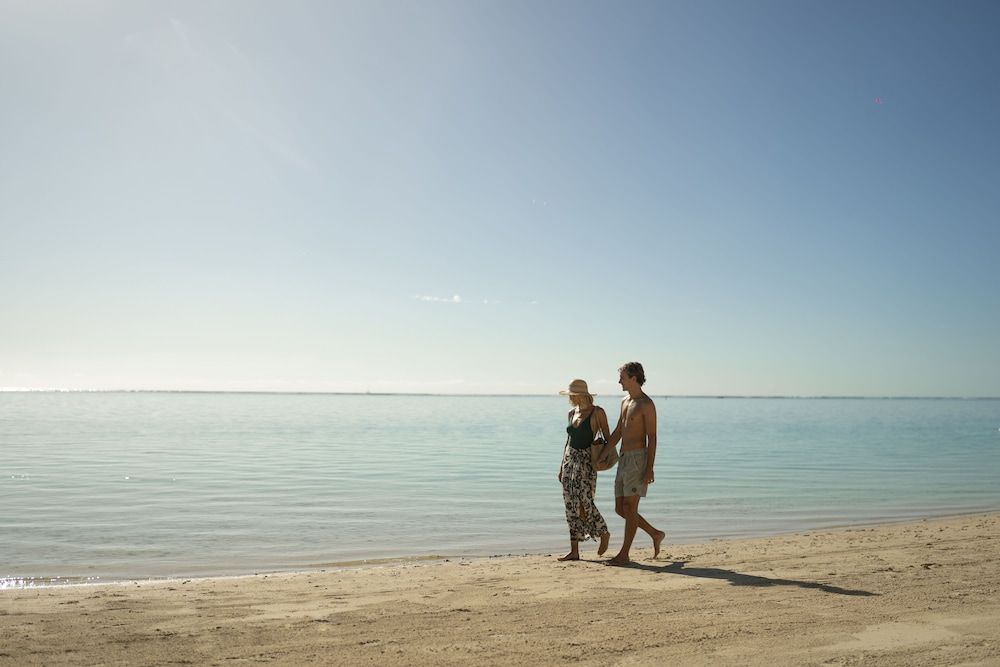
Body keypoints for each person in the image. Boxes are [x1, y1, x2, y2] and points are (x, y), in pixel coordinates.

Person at [595, 362, 666, 565]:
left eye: (623, 377)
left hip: (638, 459)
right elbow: (618, 431)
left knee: (631, 507)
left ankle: (624, 554)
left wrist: (649, 468)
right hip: (624, 458)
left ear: (634, 378)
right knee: (620, 508)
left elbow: (652, 437)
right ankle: (655, 533)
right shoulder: (625, 401)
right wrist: (604, 453)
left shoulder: (646, 404)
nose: (619, 381)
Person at [556, 379, 612, 561]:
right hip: (569, 462)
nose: (570, 398)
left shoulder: (598, 412)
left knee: (585, 502)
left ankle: (603, 532)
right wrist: (560, 466)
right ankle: (574, 551)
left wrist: (602, 458)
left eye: (572, 395)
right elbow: (568, 441)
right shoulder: (572, 412)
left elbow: (609, 439)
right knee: (570, 505)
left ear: (580, 394)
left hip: (587, 462)